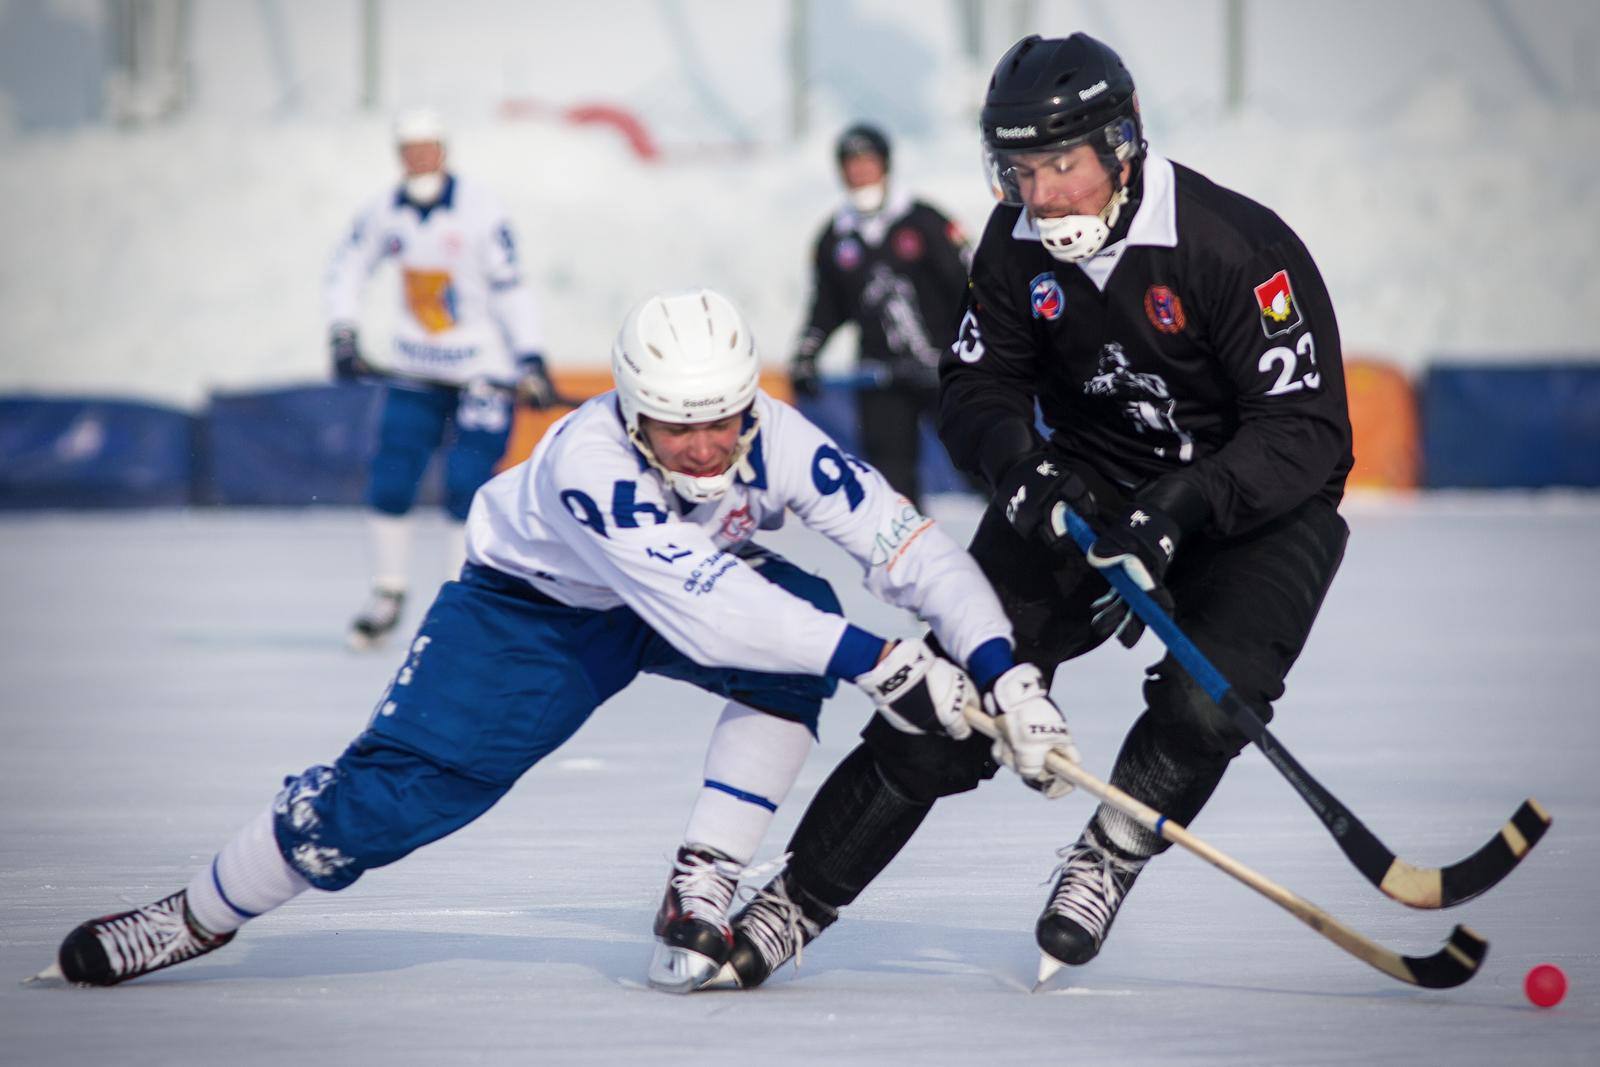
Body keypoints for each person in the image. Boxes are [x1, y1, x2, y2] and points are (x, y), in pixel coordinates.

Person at [37, 289, 1082, 993]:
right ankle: (197, 909)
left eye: (725, 419)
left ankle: (703, 876)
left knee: (799, 627)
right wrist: (888, 661)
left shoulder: (775, 435)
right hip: (528, 613)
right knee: (384, 805)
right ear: (631, 411)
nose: (710, 445)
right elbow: (712, 605)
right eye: (681, 426)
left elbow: (910, 548)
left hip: (677, 594)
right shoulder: (589, 458)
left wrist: (1003, 667)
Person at [708, 33, 1353, 990]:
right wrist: (1020, 468)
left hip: (1254, 502)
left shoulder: (1236, 246)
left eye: (1063, 164)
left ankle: (1111, 850)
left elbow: (1305, 430)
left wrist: (1185, 504)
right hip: (1091, 481)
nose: (1042, 193)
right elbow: (974, 384)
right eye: (1018, 168)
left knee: (1209, 702)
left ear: (1123, 145)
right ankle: (800, 896)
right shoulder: (1013, 242)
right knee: (952, 695)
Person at [325, 106, 558, 650]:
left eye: (426, 149)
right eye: (408, 151)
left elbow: (511, 288)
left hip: (482, 373)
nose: (418, 159)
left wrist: (531, 356)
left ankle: (460, 599)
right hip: (415, 369)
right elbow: (347, 267)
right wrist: (343, 330)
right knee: (390, 477)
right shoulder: (384, 210)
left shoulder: (481, 210)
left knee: (466, 485)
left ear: (444, 150)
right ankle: (388, 595)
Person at [788, 123, 972, 510]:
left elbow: (969, 287)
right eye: (850, 164)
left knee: (978, 459)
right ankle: (918, 563)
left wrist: (971, 350)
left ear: (885, 165)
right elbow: (827, 307)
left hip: (944, 369)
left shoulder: (924, 221)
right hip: (881, 376)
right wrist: (807, 352)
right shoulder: (836, 237)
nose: (858, 172)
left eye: (866, 162)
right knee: (893, 485)